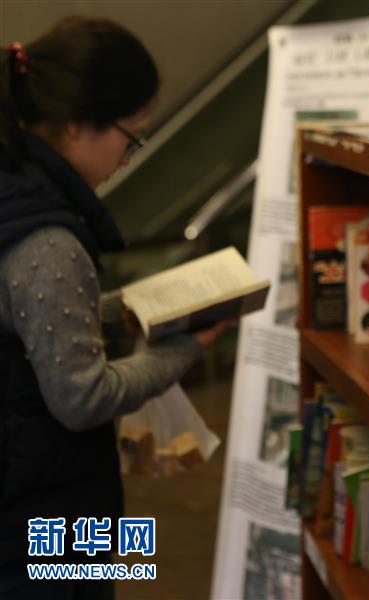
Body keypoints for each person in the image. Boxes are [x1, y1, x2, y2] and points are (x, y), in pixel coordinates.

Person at [0, 17, 231, 599]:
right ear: (78, 125)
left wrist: (120, 309)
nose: (129, 159)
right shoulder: (46, 239)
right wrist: (183, 350)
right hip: (41, 522)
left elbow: (25, 315)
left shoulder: (15, 185)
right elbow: (83, 398)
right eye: (133, 138)